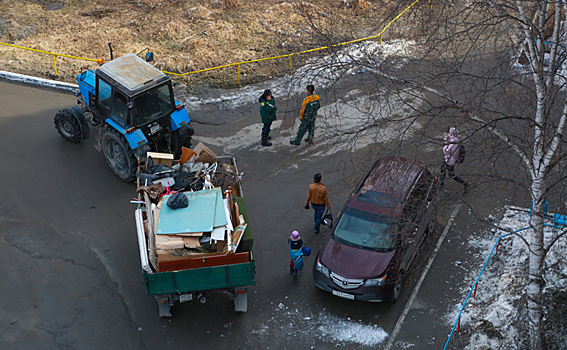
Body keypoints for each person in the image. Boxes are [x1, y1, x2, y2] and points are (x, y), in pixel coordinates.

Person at [441, 127, 470, 193]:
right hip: (447, 159)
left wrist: (445, 142)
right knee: (442, 170)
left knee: (451, 174)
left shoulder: (453, 142)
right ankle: (441, 185)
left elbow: (447, 151)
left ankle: (465, 184)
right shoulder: (452, 139)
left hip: (450, 161)